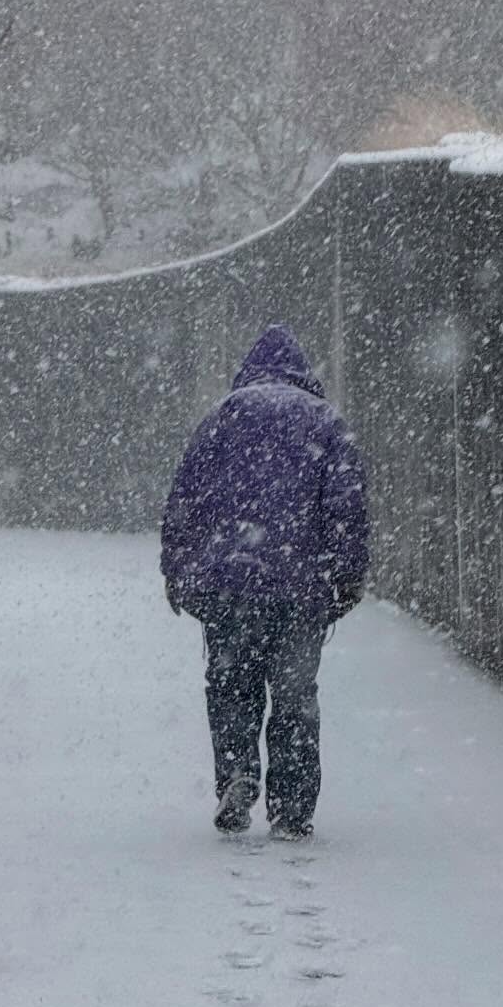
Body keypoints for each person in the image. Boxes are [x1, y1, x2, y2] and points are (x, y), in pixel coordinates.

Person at [160, 324, 368, 840]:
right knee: (295, 694)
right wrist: (346, 576)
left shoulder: (222, 417)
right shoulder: (326, 422)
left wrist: (178, 569)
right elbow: (347, 508)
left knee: (231, 685)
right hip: (303, 589)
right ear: (302, 371)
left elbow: (185, 499)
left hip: (232, 583)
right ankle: (292, 807)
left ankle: (237, 774)